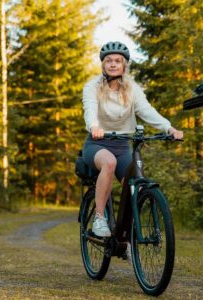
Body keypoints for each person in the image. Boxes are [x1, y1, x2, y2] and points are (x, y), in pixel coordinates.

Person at [82, 41, 183, 237]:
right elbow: (90, 109)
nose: (113, 64)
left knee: (135, 183)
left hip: (122, 146)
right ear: (103, 65)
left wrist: (169, 128)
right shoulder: (92, 86)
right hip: (97, 144)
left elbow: (146, 111)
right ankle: (99, 218)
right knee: (109, 163)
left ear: (124, 65)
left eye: (117, 61)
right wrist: (94, 126)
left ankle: (126, 236)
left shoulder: (132, 88)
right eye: (108, 61)